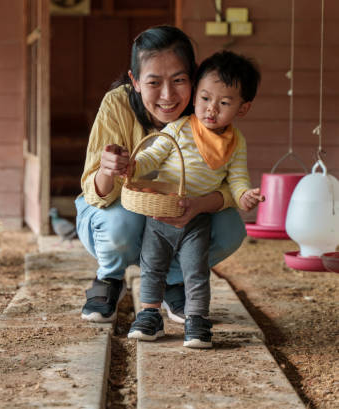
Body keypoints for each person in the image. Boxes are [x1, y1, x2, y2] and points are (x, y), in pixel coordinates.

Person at [76, 26, 246, 325]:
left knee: (231, 227)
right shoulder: (117, 104)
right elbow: (95, 194)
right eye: (154, 82)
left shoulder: (205, 109)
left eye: (179, 80)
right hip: (119, 210)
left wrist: (199, 206)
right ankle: (110, 277)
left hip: (181, 213)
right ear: (135, 81)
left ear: (193, 78)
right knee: (121, 223)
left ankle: (170, 279)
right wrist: (107, 170)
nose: (168, 96)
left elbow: (231, 185)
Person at [127, 50, 263, 348]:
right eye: (204, 98)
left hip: (196, 219)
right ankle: (149, 315)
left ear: (243, 108)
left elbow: (237, 179)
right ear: (195, 96)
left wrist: (245, 195)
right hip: (161, 214)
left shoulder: (236, 143)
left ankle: (196, 320)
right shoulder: (180, 127)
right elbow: (153, 155)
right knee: (152, 266)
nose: (211, 109)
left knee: (196, 271)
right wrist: (134, 165)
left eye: (224, 103)